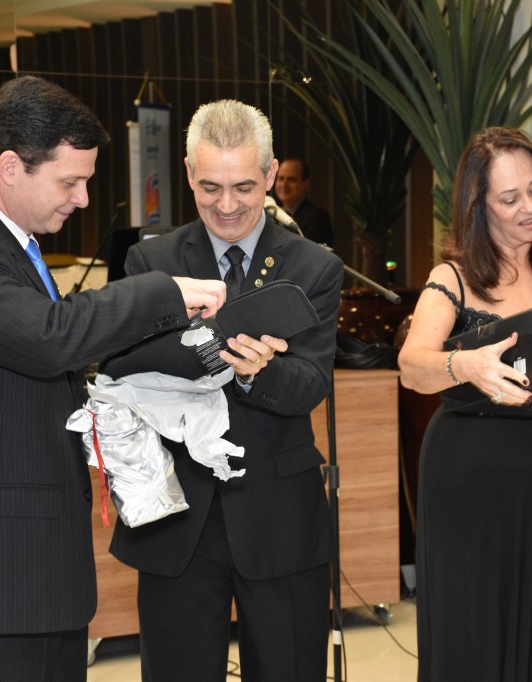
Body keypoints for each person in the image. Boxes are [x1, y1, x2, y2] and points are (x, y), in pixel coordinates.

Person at [0, 75, 227, 682]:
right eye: (69, 182)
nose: (82, 200)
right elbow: (52, 338)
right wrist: (164, 292)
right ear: (11, 166)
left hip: (40, 580)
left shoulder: (16, 254)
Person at [109, 100, 344, 681]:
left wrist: (255, 372)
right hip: (179, 520)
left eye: (244, 187)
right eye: (210, 187)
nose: (228, 205)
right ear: (189, 174)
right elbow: (124, 371)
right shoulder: (151, 261)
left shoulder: (312, 267)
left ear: (270, 175)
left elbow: (310, 383)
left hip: (279, 516)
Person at [398, 126, 532, 681]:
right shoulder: (453, 277)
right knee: (474, 630)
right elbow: (412, 366)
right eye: (510, 198)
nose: (530, 207)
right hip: (469, 478)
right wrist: (465, 365)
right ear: (479, 205)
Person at [274, 156, 334, 247]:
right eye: (281, 178)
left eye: (291, 179)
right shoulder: (272, 214)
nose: (284, 184)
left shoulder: (317, 218)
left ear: (305, 184)